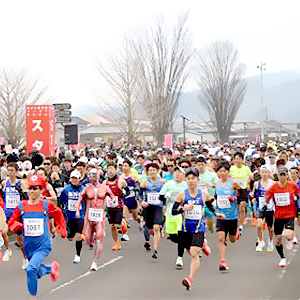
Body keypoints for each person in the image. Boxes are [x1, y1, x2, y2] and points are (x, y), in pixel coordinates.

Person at [8, 175, 67, 300]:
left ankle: (33, 297)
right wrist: (16, 226)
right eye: (31, 188)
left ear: (41, 190)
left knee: (30, 269)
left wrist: (61, 227)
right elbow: (11, 222)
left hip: (43, 245)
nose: (32, 191)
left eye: (36, 188)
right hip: (28, 245)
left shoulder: (46, 205)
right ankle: (51, 268)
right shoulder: (21, 206)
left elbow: (58, 213)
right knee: (37, 272)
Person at [172, 168, 220, 290]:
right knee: (190, 251)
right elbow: (173, 211)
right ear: (185, 180)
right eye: (188, 179)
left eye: (193, 179)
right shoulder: (182, 194)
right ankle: (203, 244)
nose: (191, 181)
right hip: (186, 229)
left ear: (198, 180)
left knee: (194, 253)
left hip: (199, 228)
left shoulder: (203, 194)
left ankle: (190, 279)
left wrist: (216, 213)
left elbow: (209, 204)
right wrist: (183, 209)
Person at [76, 168, 115, 271]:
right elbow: (79, 199)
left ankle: (95, 262)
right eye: (91, 175)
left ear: (98, 176)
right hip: (89, 216)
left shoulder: (105, 188)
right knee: (88, 239)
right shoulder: (86, 188)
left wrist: (112, 202)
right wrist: (77, 210)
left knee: (99, 238)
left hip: (100, 217)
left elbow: (112, 196)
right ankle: (92, 239)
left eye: (94, 175)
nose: (93, 177)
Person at [265, 167, 300, 267]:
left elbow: (298, 195)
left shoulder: (292, 185)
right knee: (277, 240)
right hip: (278, 215)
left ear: (287, 176)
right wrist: (266, 199)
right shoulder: (274, 187)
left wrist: (297, 200)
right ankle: (282, 258)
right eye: (280, 175)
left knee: (288, 234)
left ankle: (290, 239)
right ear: (278, 176)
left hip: (290, 214)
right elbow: (268, 196)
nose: (282, 177)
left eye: (284, 175)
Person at [159, 166, 187, 267]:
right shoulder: (168, 184)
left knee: (180, 234)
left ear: (183, 175)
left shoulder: (185, 185)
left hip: (181, 214)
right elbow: (160, 197)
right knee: (172, 236)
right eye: (175, 172)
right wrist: (166, 195)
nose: (177, 174)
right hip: (170, 213)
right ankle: (186, 244)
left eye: (179, 173)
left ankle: (179, 257)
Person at [215, 161, 240, 271]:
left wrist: (234, 198)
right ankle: (223, 261)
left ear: (228, 172)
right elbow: (216, 197)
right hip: (221, 215)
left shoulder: (233, 183)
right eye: (220, 171)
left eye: (224, 171)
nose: (222, 173)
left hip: (232, 216)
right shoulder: (217, 183)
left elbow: (242, 194)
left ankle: (236, 232)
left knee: (232, 239)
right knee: (220, 238)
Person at [59, 170, 85, 263]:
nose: (74, 180)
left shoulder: (83, 189)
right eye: (72, 178)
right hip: (70, 216)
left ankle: (77, 255)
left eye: (76, 178)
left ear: (79, 179)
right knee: (70, 237)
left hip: (80, 215)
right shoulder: (66, 190)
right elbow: (61, 201)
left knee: (78, 235)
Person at [140, 163, 164, 259]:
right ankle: (147, 241)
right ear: (147, 172)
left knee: (156, 227)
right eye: (150, 170)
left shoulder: (162, 182)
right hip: (148, 207)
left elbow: (166, 193)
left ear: (158, 171)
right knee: (149, 228)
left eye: (154, 170)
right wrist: (142, 202)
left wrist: (165, 203)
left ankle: (155, 249)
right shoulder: (145, 183)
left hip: (158, 206)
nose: (152, 172)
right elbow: (140, 195)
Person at [2, 162, 23, 262]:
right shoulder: (4, 182)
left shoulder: (21, 183)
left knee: (21, 237)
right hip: (7, 211)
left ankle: (25, 257)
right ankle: (8, 250)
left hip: (18, 212)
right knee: (3, 230)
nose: (10, 173)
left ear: (16, 171)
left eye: (12, 171)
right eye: (8, 170)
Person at [251, 166, 275, 252]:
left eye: (266, 172)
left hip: (270, 207)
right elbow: (253, 193)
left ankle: (270, 241)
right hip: (260, 207)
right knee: (259, 224)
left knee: (270, 227)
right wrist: (253, 198)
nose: (264, 174)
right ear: (260, 173)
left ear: (269, 173)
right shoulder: (257, 183)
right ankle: (260, 241)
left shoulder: (273, 183)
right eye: (262, 172)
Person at [104, 163, 127, 251]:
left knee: (117, 225)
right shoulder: (105, 182)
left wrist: (123, 193)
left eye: (111, 169)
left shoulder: (120, 180)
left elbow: (128, 190)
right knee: (112, 226)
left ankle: (123, 223)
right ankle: (116, 242)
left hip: (119, 205)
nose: (109, 171)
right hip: (110, 206)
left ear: (115, 169)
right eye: (108, 169)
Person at [230, 152, 252, 235]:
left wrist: (249, 183)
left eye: (239, 159)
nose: (237, 160)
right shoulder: (231, 168)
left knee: (242, 207)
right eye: (236, 159)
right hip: (234, 190)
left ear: (242, 160)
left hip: (243, 190)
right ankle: (234, 223)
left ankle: (241, 225)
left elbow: (251, 177)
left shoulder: (246, 168)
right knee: (235, 208)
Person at [120, 159, 142, 240]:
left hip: (132, 198)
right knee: (124, 216)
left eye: (126, 166)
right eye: (123, 166)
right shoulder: (121, 177)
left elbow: (138, 187)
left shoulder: (134, 176)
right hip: (125, 198)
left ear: (130, 167)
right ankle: (125, 234)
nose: (124, 168)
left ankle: (140, 221)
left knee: (135, 217)